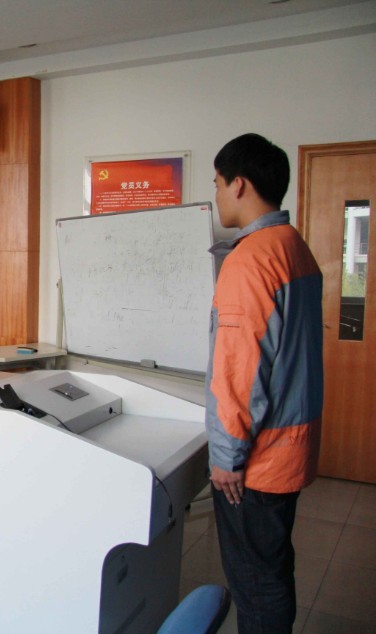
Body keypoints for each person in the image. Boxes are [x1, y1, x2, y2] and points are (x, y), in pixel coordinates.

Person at [206, 133, 323, 633]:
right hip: (290, 447)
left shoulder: (250, 259)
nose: (216, 194)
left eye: (216, 182)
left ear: (239, 184)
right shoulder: (293, 246)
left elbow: (241, 369)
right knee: (272, 571)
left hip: (256, 462)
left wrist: (227, 457)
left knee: (256, 584)